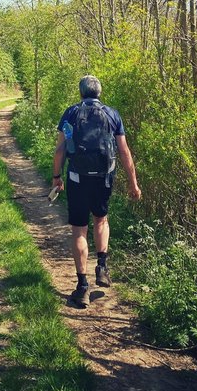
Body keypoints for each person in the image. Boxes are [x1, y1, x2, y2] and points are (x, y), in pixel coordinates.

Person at [51, 75, 141, 308]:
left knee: (79, 230)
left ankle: (82, 287)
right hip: (104, 178)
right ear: (99, 93)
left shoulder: (71, 114)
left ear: (81, 93)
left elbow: (61, 149)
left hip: (77, 178)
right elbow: (124, 151)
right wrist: (133, 183)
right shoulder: (112, 114)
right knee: (101, 220)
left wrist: (57, 177)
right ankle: (102, 266)